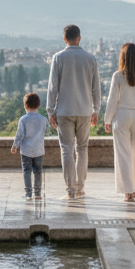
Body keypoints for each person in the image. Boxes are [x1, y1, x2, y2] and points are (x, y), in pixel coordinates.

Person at [47, 24, 100, 199]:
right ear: (79, 37)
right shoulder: (91, 58)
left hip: (64, 110)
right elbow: (96, 88)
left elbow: (53, 87)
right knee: (82, 148)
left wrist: (50, 110)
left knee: (67, 149)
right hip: (85, 110)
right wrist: (96, 110)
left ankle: (70, 189)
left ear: (64, 39)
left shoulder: (58, 58)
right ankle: (81, 187)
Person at [103, 42, 135, 202]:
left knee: (123, 155)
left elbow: (112, 100)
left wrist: (107, 119)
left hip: (122, 115)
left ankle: (128, 191)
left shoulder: (118, 76)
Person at [10, 92, 47, 199]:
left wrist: (15, 146)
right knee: (38, 171)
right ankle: (38, 193)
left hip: (26, 150)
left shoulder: (23, 119)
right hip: (39, 150)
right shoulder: (43, 119)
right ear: (38, 105)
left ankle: (28, 193)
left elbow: (19, 135)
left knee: (27, 171)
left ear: (25, 105)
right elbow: (44, 132)